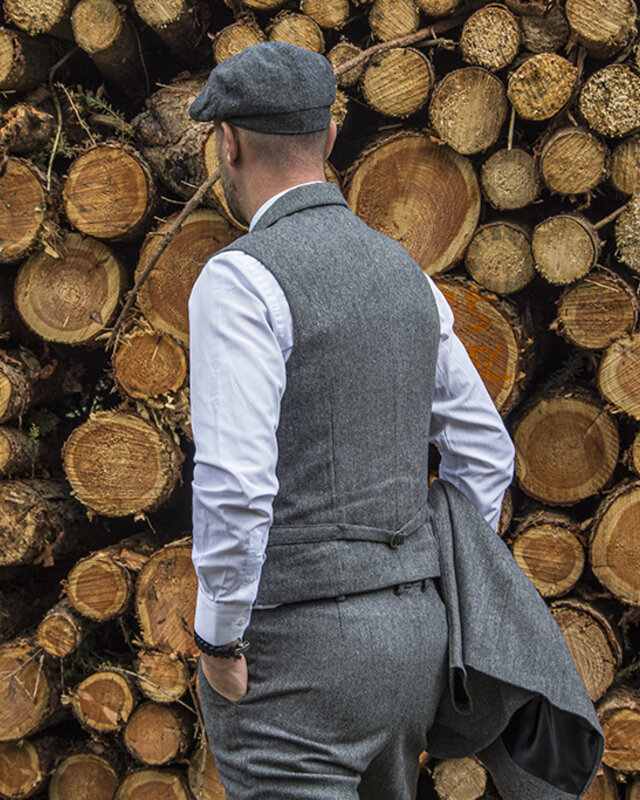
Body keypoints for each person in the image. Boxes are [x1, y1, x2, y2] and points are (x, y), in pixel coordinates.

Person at [187, 42, 516, 800]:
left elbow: (236, 483)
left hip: (293, 656)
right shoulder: (408, 276)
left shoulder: (239, 280)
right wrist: (422, 588)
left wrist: (219, 637)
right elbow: (483, 452)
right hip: (411, 642)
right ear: (331, 140)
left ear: (228, 142)